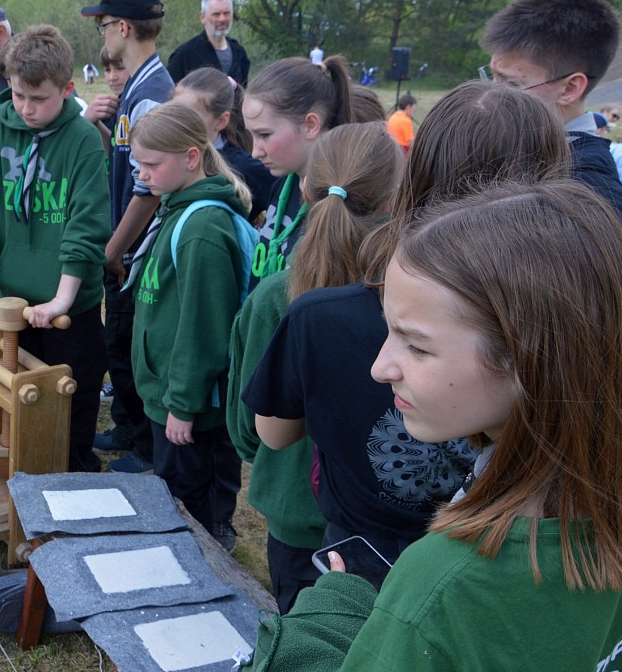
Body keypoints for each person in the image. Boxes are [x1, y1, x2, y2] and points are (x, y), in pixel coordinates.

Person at [226, 181, 622, 672]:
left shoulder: (443, 583)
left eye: (417, 344)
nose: (381, 366)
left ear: (528, 357)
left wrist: (329, 617)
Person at [243, 80, 570, 577]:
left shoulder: (319, 313)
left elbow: (271, 432)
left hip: (370, 558)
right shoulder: (578, 328)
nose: (384, 366)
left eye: (419, 345)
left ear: (412, 181)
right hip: (490, 563)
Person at [226, 122, 401, 611]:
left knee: (305, 656)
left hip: (297, 512)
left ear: (304, 188)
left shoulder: (274, 299)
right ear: (395, 197)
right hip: (400, 522)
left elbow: (252, 429)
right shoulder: (418, 293)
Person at [0, 25, 111, 473]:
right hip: (12, 301)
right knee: (19, 399)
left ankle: (75, 478)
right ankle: (28, 475)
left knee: (71, 401)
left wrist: (62, 298)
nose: (26, 109)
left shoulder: (82, 140)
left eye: (38, 99)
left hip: (70, 305)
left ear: (67, 88)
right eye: (18, 95)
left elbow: (86, 225)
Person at [480, 0, 622, 311]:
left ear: (570, 88)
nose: (492, 94)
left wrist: (561, 324)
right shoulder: (531, 141)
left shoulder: (581, 168)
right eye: (492, 76)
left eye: (512, 84)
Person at [126, 101, 252, 545]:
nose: (142, 173)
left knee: (195, 498)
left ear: (191, 158)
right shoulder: (176, 206)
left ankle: (209, 554)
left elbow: (205, 328)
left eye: (151, 164)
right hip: (170, 395)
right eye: (138, 162)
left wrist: (183, 403)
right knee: (176, 489)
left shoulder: (203, 228)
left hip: (190, 407)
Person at [81, 0, 173, 474]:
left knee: (132, 344)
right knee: (119, 340)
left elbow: (150, 188)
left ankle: (145, 447)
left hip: (137, 252)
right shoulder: (135, 89)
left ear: (122, 27)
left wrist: (113, 250)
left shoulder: (150, 96)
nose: (101, 38)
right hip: (127, 248)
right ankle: (129, 426)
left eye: (102, 26)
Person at [242, 56, 353, 282]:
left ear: (311, 125)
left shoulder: (339, 199)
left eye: (264, 135)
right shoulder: (285, 182)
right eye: (251, 135)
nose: (255, 152)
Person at [170, 66, 276, 225]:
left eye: (191, 116)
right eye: (174, 113)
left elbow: (289, 205)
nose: (179, 123)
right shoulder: (170, 155)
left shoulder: (244, 166)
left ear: (221, 121)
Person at [166, 0, 250, 86]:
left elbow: (243, 92)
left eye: (226, 13)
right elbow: (169, 92)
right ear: (202, 17)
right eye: (216, 14)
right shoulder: (185, 54)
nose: (222, 19)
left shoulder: (239, 53)